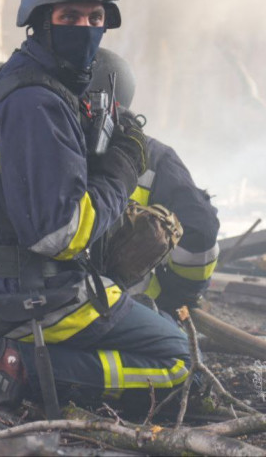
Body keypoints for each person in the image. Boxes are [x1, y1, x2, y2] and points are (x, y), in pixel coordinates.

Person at [0, 0, 192, 422]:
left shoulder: (15, 84)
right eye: (69, 18)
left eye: (94, 19)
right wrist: (122, 168)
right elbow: (60, 234)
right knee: (178, 361)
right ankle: (17, 372)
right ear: (40, 21)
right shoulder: (37, 104)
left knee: (148, 320)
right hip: (35, 297)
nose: (84, 28)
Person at [88, 49, 220, 315]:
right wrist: (178, 297)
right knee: (172, 349)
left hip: (61, 306)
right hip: (136, 309)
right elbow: (201, 231)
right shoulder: (158, 158)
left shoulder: (54, 145)